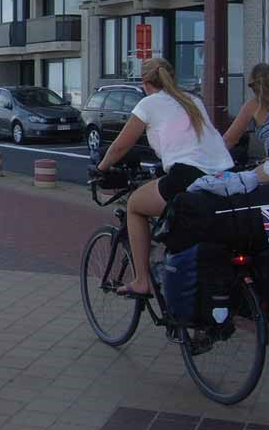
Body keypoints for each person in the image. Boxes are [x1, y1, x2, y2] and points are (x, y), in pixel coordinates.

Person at [94, 57, 235, 298]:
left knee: (135, 206)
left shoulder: (149, 104)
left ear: (145, 83)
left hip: (188, 176)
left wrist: (101, 168)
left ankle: (141, 281)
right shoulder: (193, 100)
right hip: (223, 176)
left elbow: (120, 147)